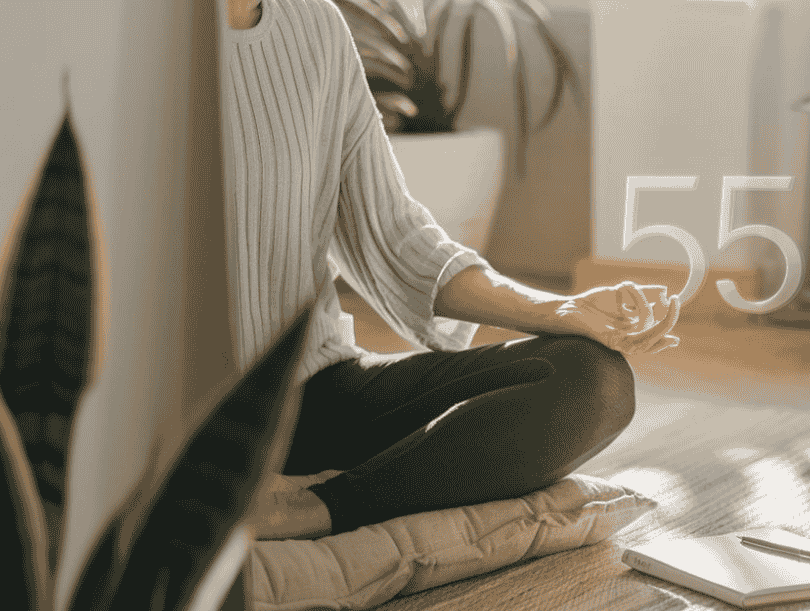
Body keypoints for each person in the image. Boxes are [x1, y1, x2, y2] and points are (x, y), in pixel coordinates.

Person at [222, 0, 681, 539]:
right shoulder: (119, 33)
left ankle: (320, 509)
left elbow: (396, 235)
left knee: (592, 379)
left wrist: (561, 309)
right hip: (175, 429)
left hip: (313, 398)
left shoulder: (315, 24)